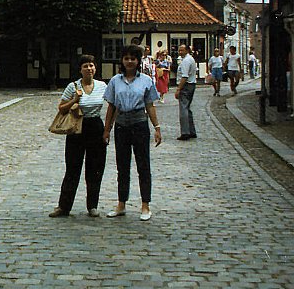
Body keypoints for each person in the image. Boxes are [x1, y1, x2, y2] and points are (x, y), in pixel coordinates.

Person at [102, 45, 162, 221]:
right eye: (126, 58)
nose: (129, 61)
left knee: (143, 166)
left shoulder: (146, 81)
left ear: (138, 61)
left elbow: (150, 105)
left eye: (133, 58)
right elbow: (111, 107)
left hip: (139, 124)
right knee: (122, 167)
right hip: (121, 125)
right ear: (122, 60)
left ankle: (145, 205)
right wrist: (107, 130)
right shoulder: (115, 81)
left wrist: (157, 127)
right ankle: (121, 204)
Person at [49, 54, 108, 218]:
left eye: (91, 65)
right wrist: (75, 99)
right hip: (77, 128)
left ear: (95, 68)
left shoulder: (102, 86)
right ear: (80, 69)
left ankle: (92, 206)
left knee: (95, 168)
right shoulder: (72, 86)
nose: (89, 69)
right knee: (72, 168)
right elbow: (61, 108)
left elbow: (112, 105)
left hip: (95, 126)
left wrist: (107, 129)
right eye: (85, 66)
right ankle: (64, 206)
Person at [174, 43, 198, 140]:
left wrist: (178, 89)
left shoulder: (186, 61)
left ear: (187, 50)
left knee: (183, 108)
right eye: (179, 50)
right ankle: (191, 131)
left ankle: (185, 132)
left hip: (186, 86)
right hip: (191, 85)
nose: (180, 52)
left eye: (182, 50)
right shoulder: (190, 59)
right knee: (187, 109)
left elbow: (184, 76)